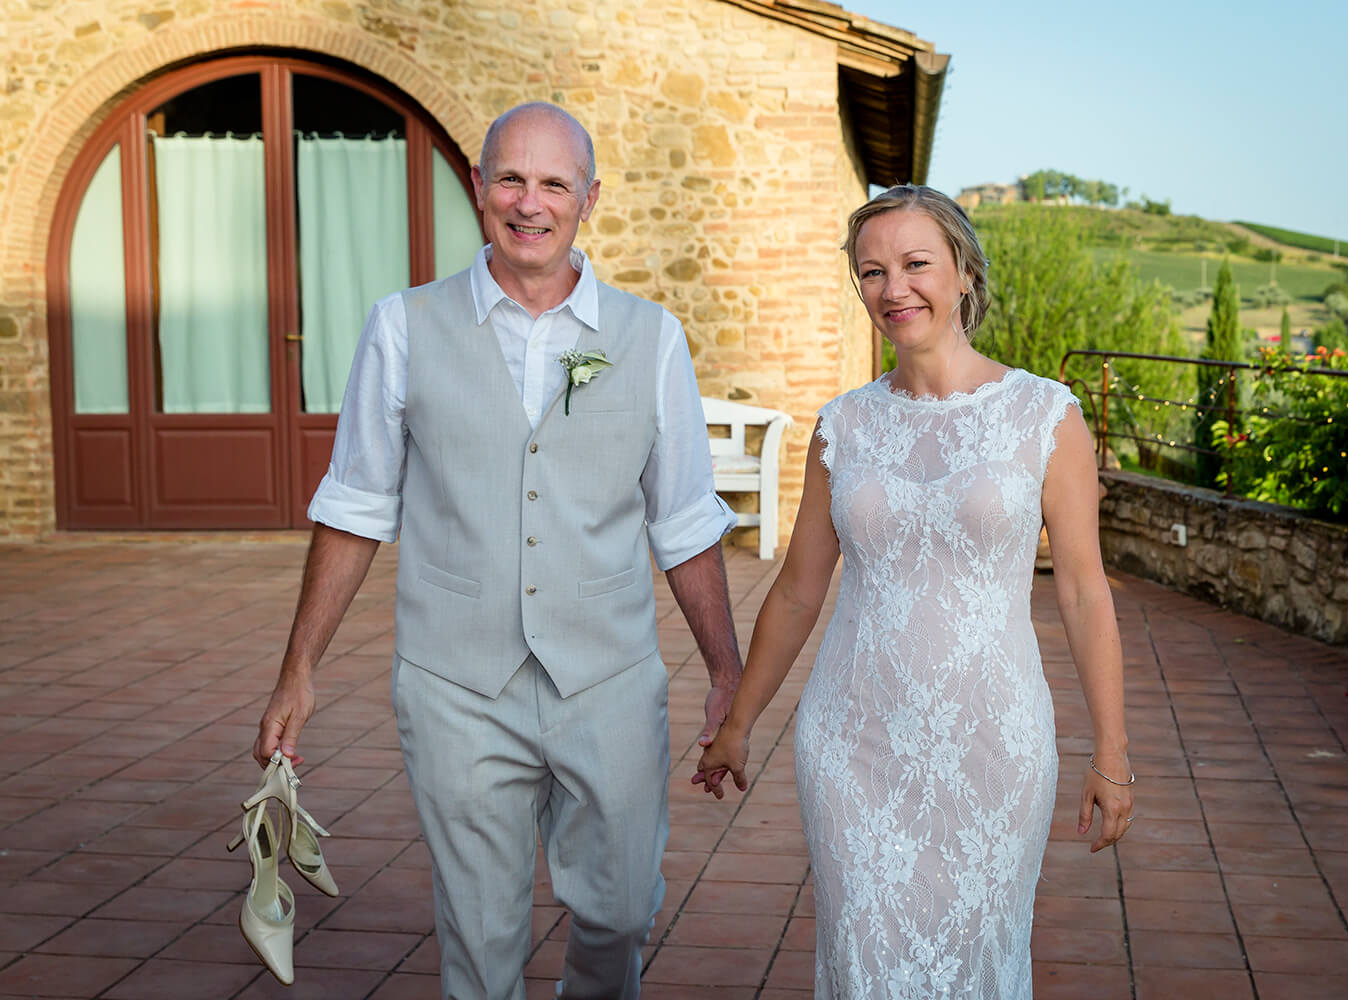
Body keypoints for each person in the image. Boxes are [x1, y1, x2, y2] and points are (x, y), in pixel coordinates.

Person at [253, 102, 743, 1000]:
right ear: (478, 189)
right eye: (510, 178)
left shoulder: (652, 337)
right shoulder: (402, 326)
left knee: (621, 907)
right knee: (480, 934)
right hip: (455, 680)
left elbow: (681, 521)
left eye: (554, 182)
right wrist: (300, 670)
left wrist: (725, 671)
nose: (531, 202)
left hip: (607, 677)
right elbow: (356, 506)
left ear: (588, 199)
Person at [695, 185, 1133, 998]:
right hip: (852, 743)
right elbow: (796, 591)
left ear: (963, 272)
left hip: (994, 746)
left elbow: (1083, 592)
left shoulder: (1045, 416)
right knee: (863, 966)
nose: (893, 289)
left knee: (980, 961)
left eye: (915, 264)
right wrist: (739, 722)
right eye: (871, 272)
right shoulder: (844, 426)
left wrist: (1112, 754)